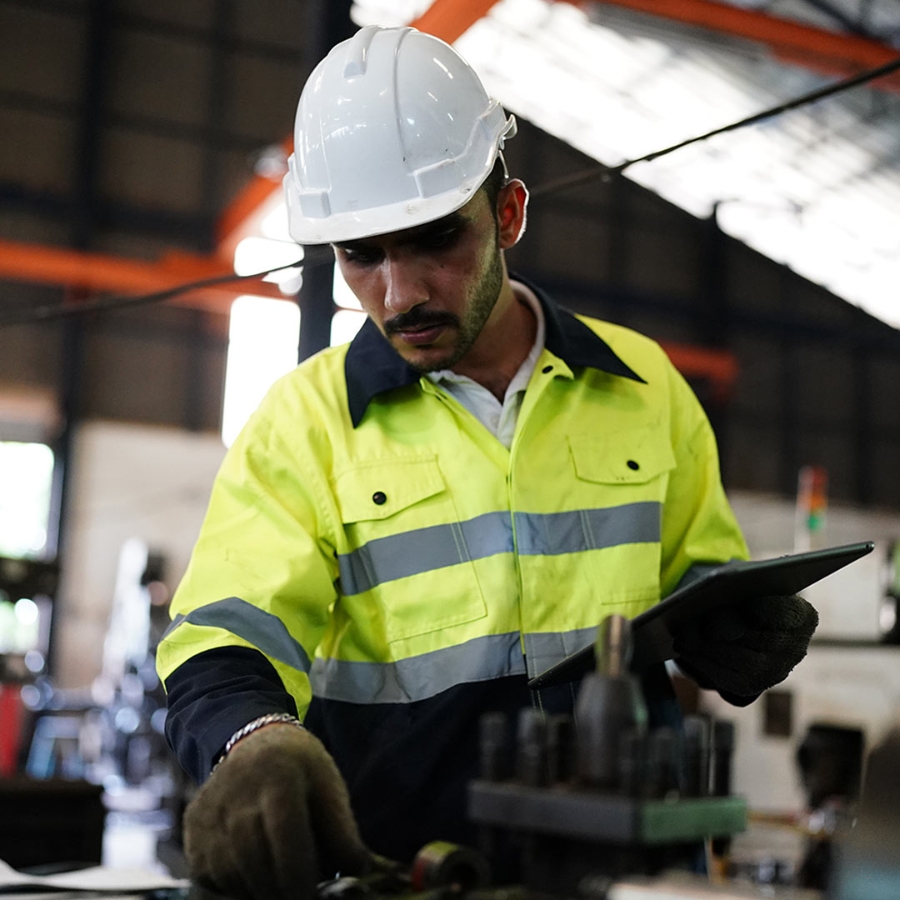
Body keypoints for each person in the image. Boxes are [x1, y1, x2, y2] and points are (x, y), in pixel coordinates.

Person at [156, 24, 817, 900]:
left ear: (507, 214)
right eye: (362, 255)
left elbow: (699, 578)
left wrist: (738, 631)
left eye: (434, 240)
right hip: (412, 875)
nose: (400, 293)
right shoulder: (303, 425)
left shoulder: (645, 387)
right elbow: (223, 639)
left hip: (633, 875)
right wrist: (257, 741)